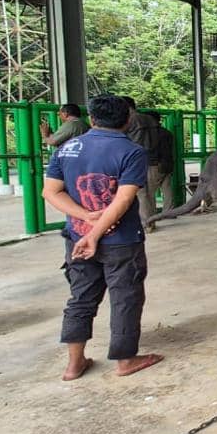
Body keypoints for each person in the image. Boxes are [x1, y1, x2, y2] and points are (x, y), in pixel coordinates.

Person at [42, 94, 163, 381]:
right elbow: (122, 202)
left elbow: (51, 192)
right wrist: (96, 232)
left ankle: (74, 364)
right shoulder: (132, 152)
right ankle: (125, 360)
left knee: (80, 297)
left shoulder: (67, 148)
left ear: (92, 119)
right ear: (129, 119)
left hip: (77, 237)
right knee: (125, 297)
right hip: (121, 240)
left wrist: (84, 219)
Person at [122, 97, 166, 230]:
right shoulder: (151, 120)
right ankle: (151, 221)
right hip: (154, 161)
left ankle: (146, 223)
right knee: (148, 194)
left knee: (141, 194)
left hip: (136, 162)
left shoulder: (129, 121)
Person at [144, 112, 176, 230]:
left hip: (154, 164)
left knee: (149, 193)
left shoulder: (150, 134)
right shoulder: (167, 133)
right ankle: (169, 212)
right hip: (167, 164)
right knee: (167, 190)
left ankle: (151, 216)